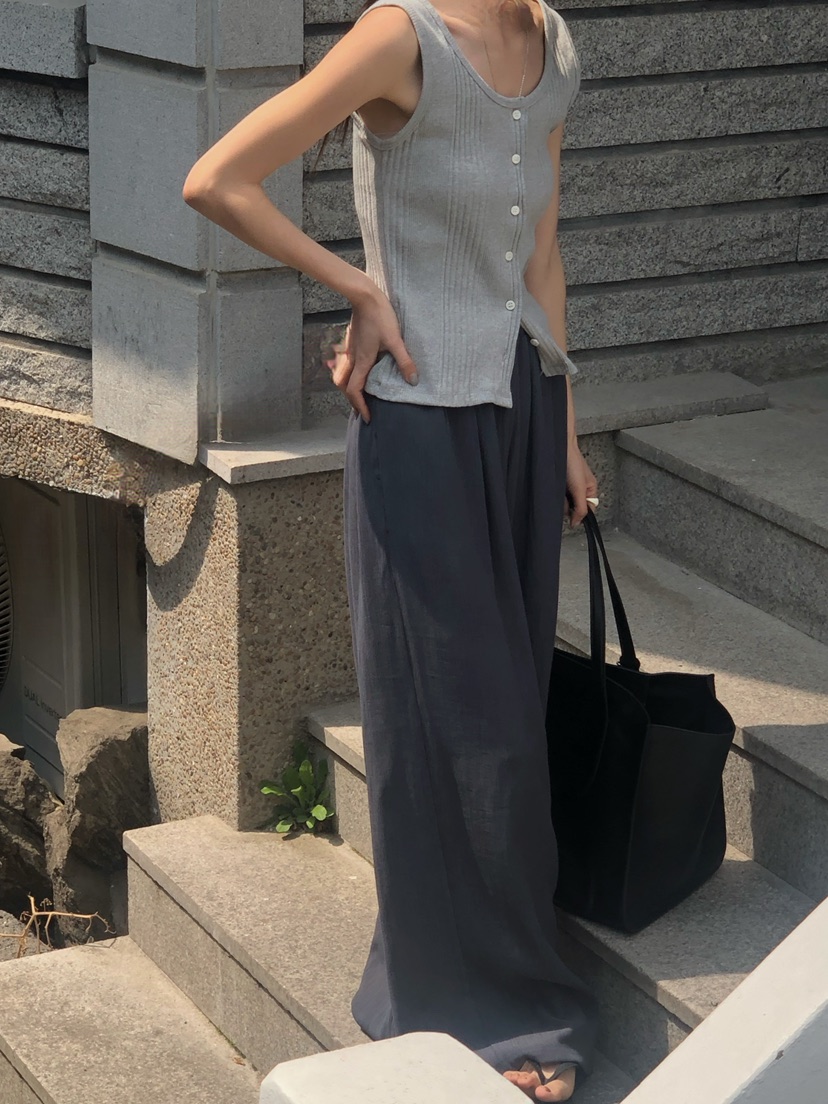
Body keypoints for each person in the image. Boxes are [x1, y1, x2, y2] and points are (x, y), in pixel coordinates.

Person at [183, 0, 600, 1098]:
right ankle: (492, 1016)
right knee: (459, 727)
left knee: (509, 708)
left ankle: (465, 973)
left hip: (520, 412)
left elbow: (543, 254)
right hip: (418, 428)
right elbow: (217, 179)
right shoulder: (399, 37)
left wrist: (565, 430)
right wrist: (360, 287)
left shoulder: (554, 43)